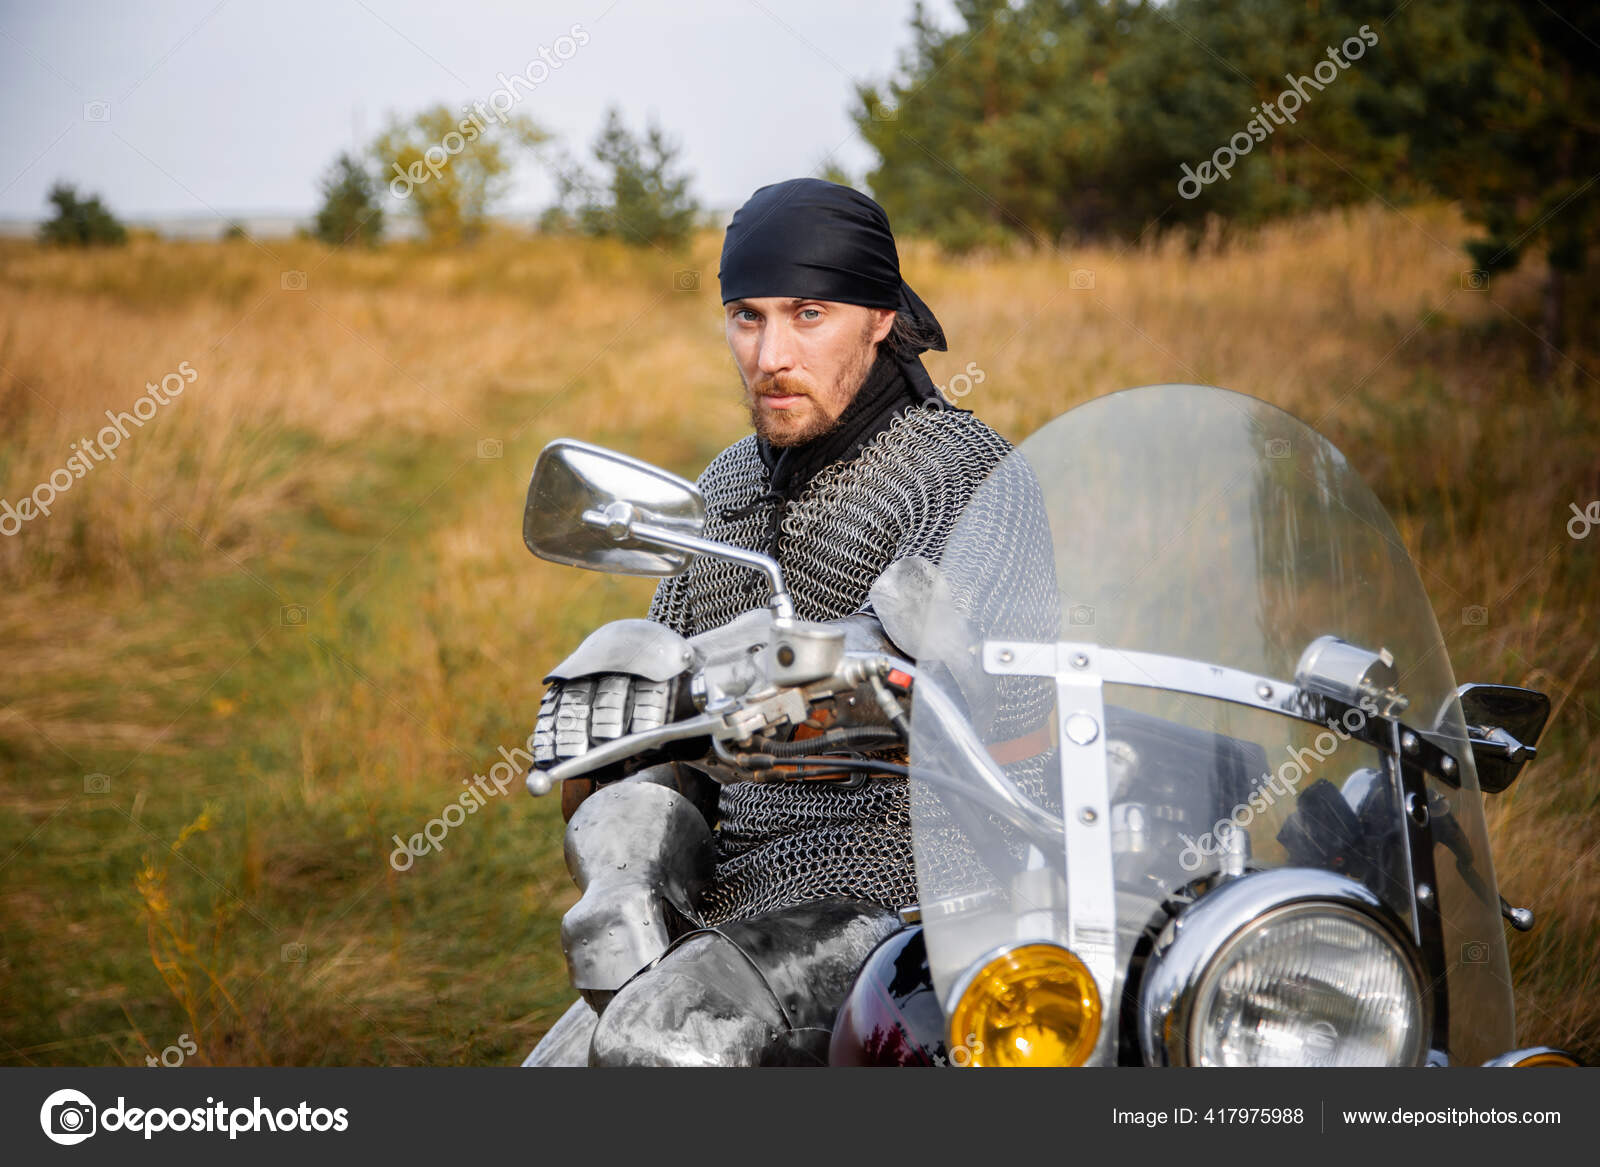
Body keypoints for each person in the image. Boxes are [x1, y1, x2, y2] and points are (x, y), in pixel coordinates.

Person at [529, 178, 1022, 1066]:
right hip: (739, 896)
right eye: (747, 317)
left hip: (910, 889)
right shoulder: (725, 487)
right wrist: (623, 748)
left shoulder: (962, 476)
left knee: (659, 1044)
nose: (770, 354)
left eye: (808, 315)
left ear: (880, 318)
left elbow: (975, 696)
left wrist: (751, 686)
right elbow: (674, 741)